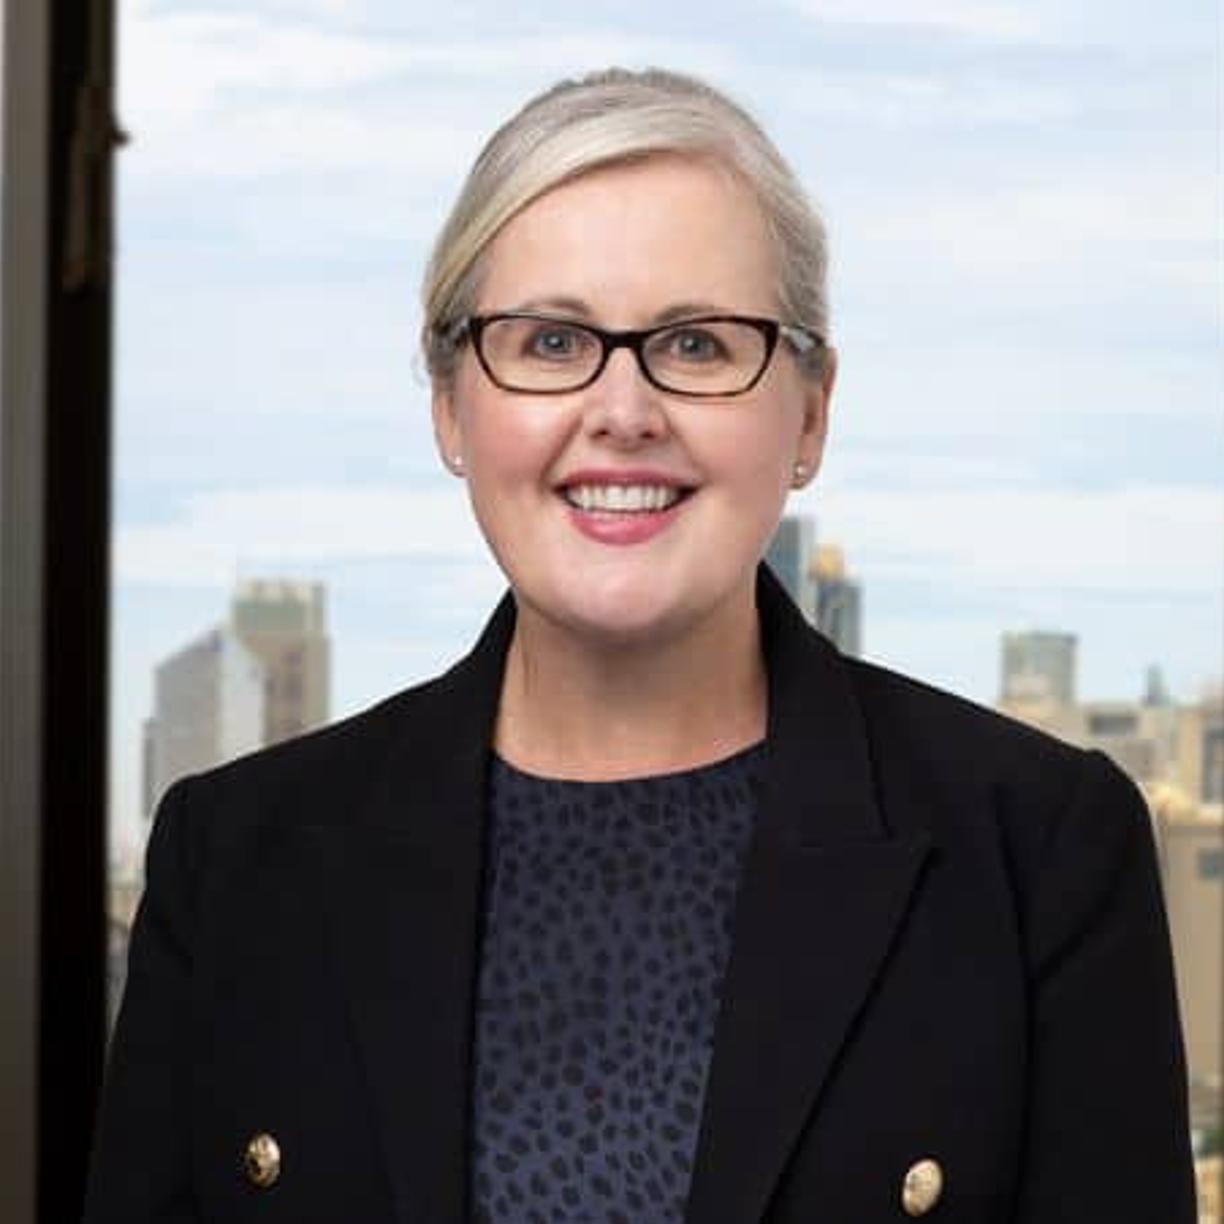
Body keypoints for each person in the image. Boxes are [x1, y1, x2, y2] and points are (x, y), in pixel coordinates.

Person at [84, 67, 1196, 1222]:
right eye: (553, 340)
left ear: (809, 414)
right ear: (450, 406)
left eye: (701, 345)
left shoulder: (1040, 855)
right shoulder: (238, 865)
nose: (623, 409)